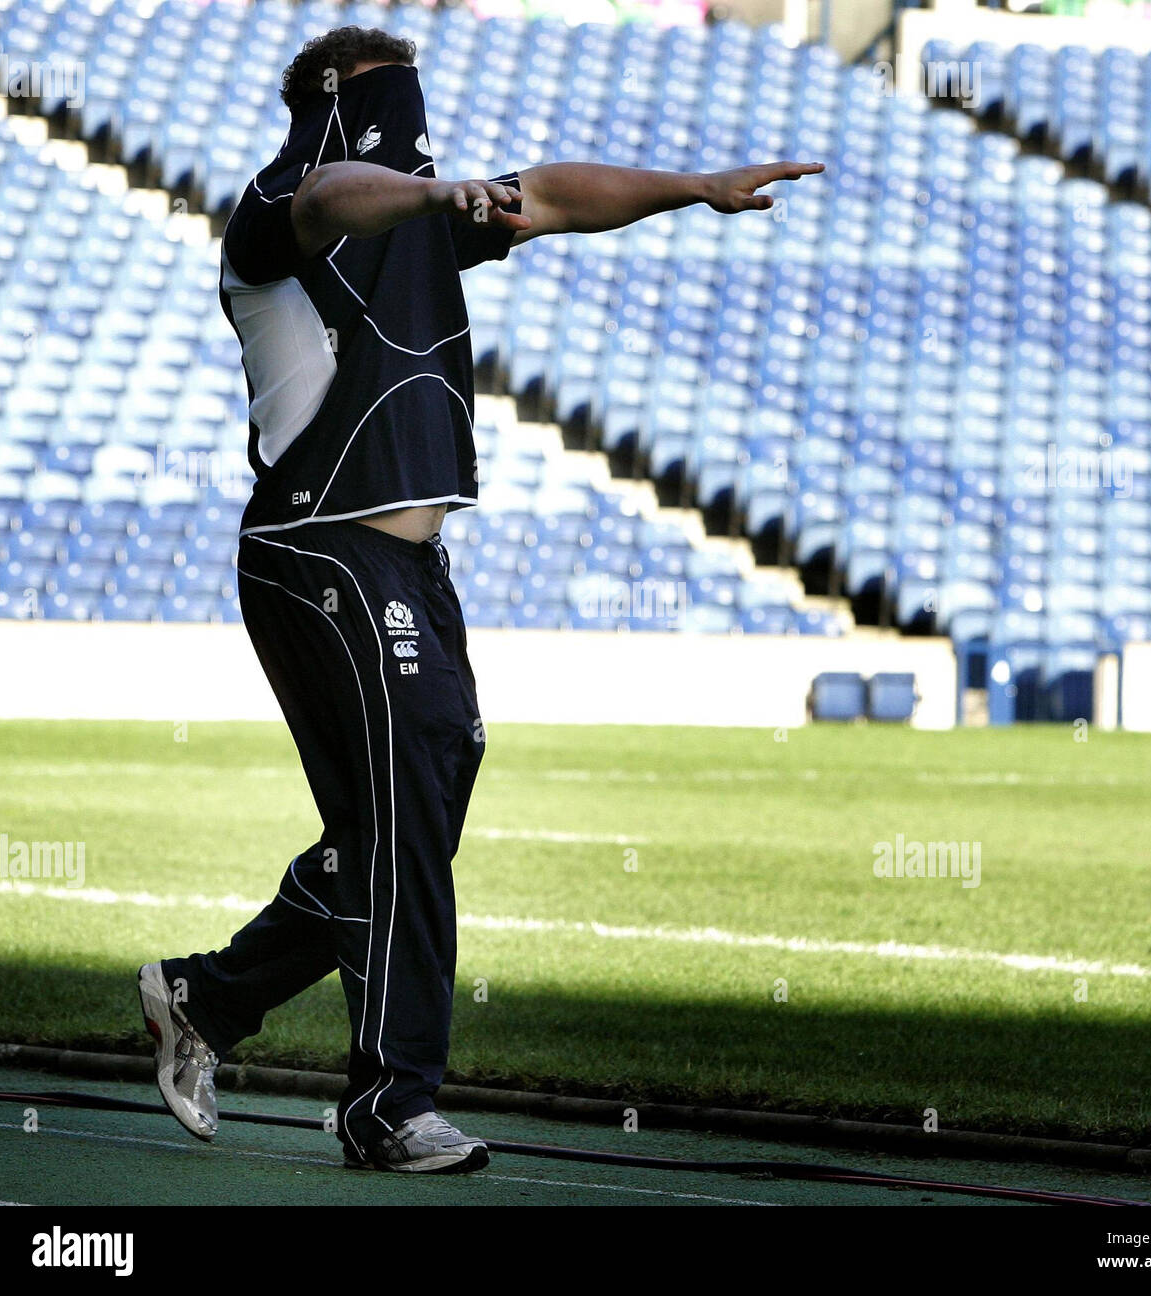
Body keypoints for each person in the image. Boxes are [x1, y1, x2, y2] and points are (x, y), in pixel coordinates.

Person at [139, 24, 821, 1174]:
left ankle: (204, 998)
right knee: (403, 819)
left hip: (405, 564)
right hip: (325, 550)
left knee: (409, 815)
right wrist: (424, 191)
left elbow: (552, 193)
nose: (413, 127)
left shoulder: (423, 217)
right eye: (387, 102)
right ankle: (388, 1105)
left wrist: (691, 187)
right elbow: (332, 196)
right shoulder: (283, 206)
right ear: (333, 101)